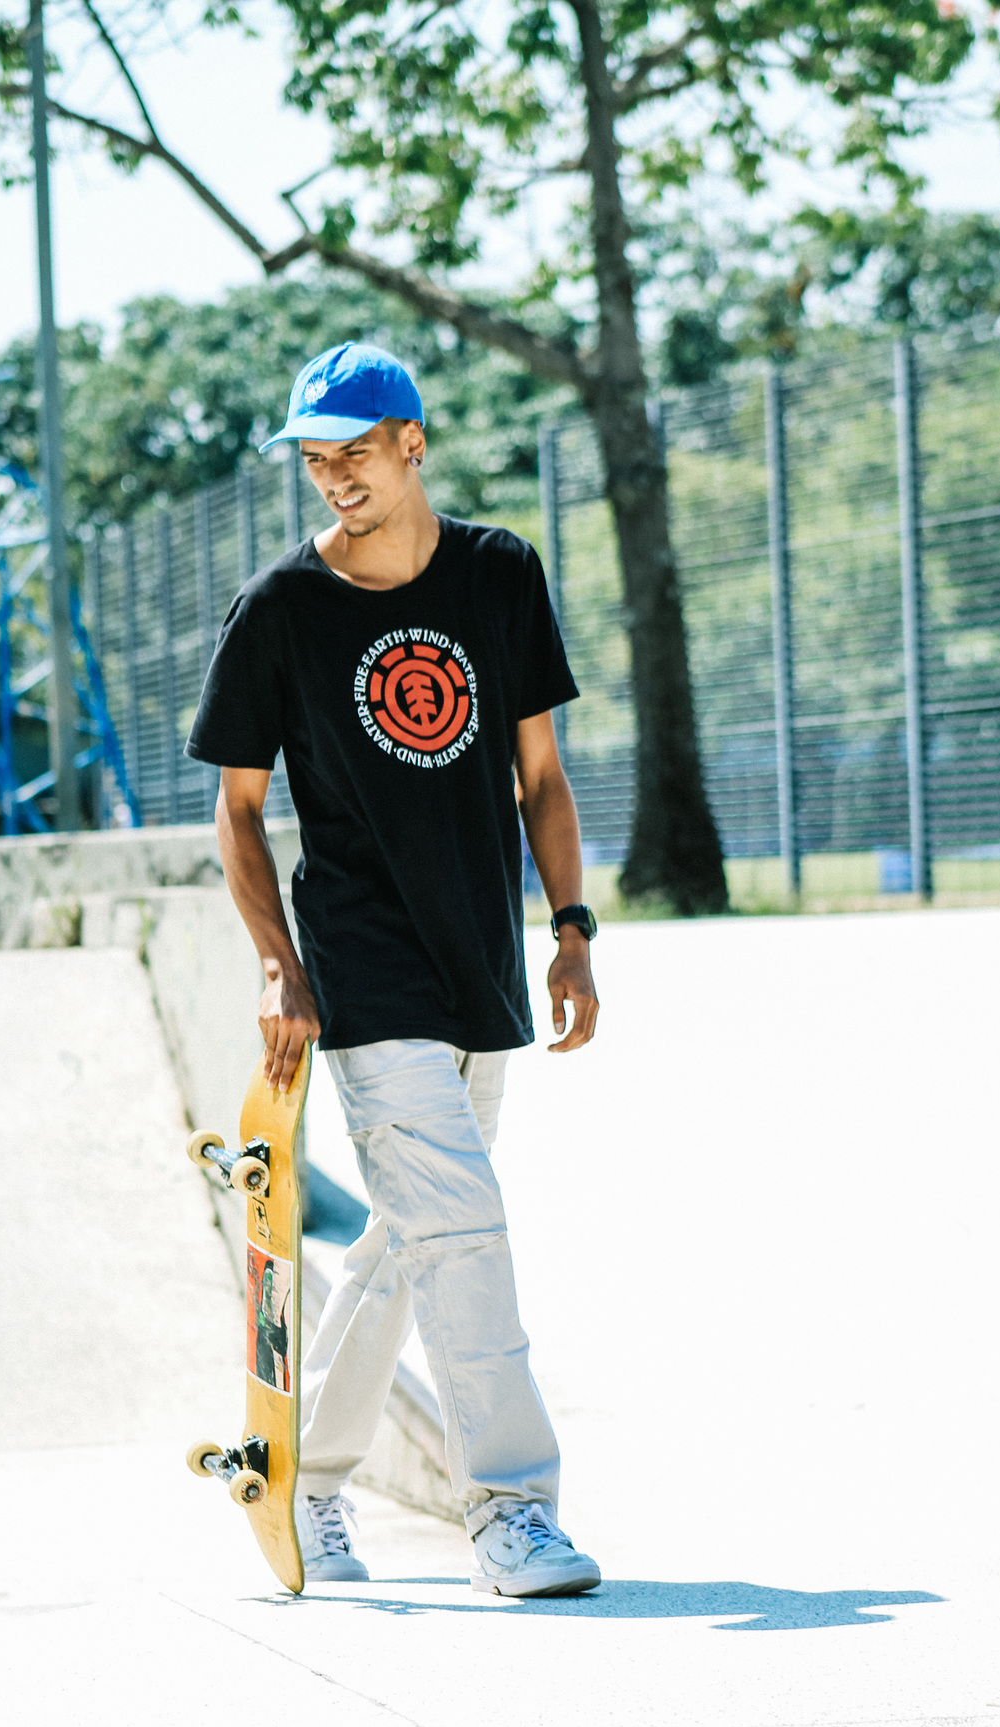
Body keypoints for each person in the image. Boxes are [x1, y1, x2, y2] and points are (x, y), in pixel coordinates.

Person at [185, 342, 601, 1598]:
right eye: (314, 459)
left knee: (412, 1242)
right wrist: (279, 964)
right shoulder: (279, 610)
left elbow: (540, 776)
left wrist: (572, 929)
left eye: (354, 452)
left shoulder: (498, 573)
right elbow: (238, 810)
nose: (333, 478)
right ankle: (511, 1512)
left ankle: (301, 1479)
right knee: (463, 1232)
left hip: (482, 961)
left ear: (413, 442)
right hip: (362, 967)